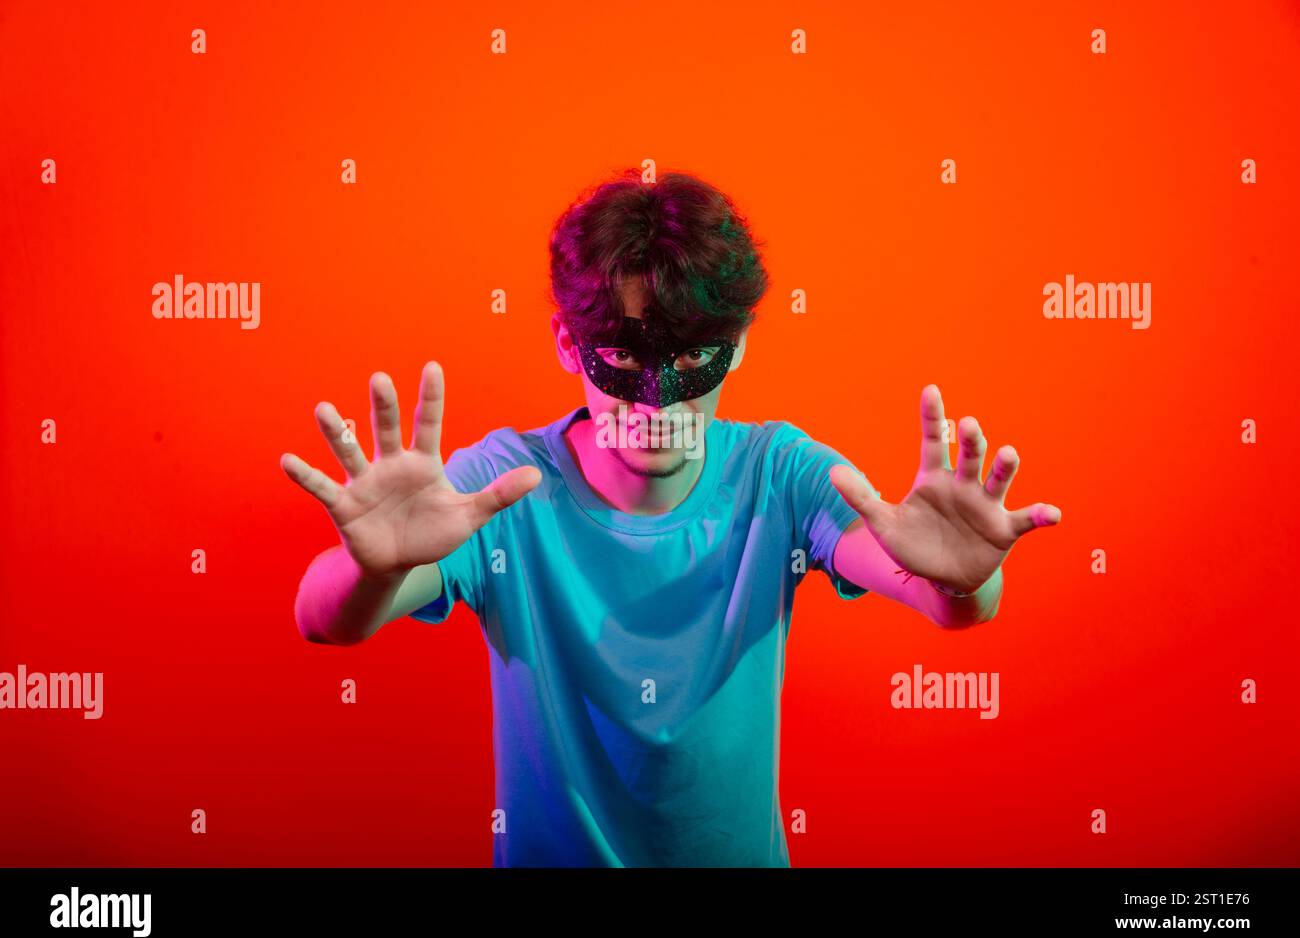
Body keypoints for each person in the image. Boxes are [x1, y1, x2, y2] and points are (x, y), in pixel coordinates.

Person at [279, 169, 1062, 866]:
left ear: (739, 346)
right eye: (622, 358)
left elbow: (937, 596)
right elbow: (323, 618)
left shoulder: (780, 475)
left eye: (692, 361)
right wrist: (374, 566)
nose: (659, 401)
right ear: (566, 340)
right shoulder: (505, 488)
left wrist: (961, 580)